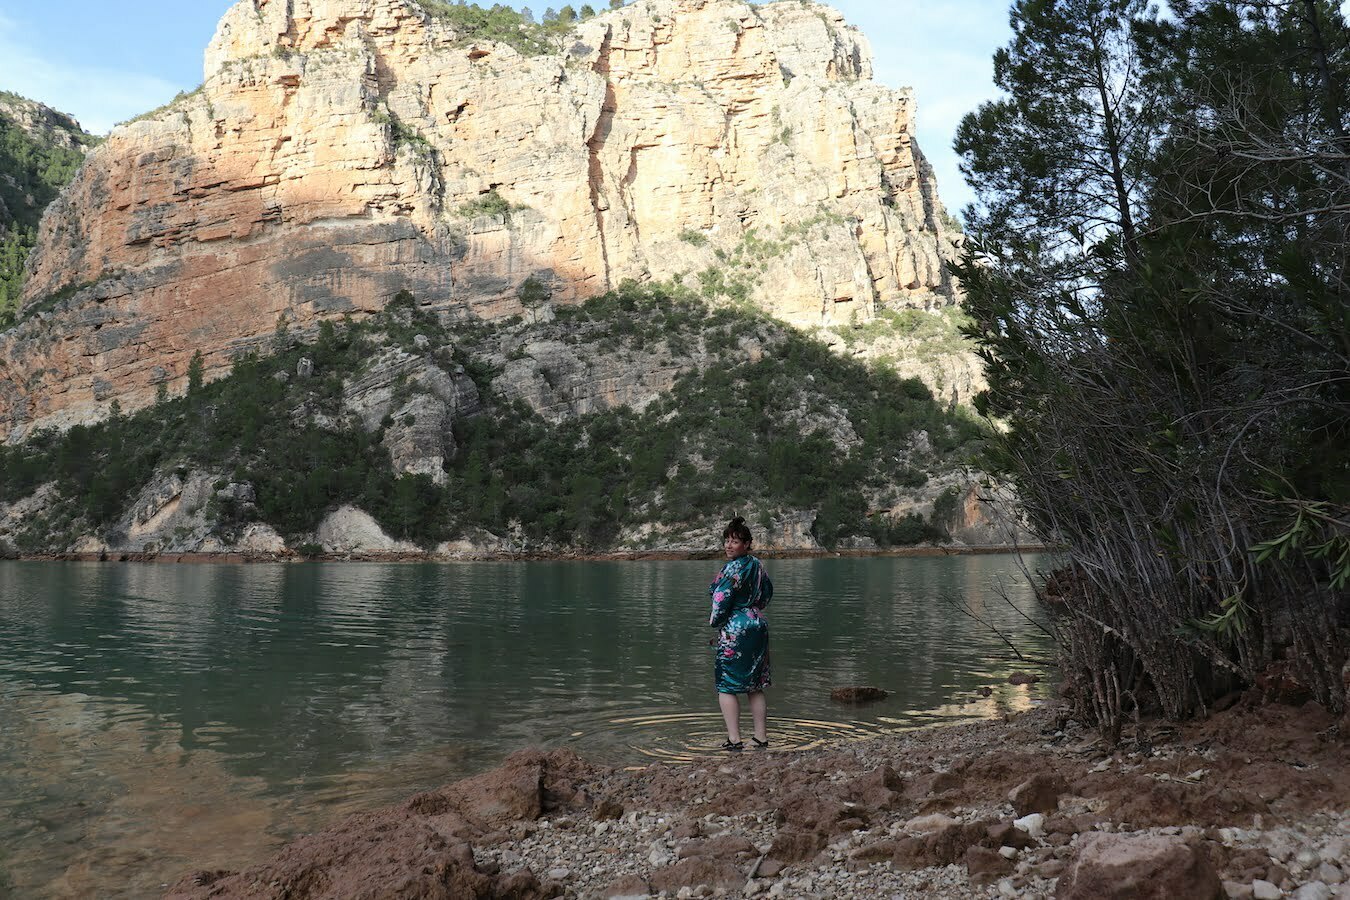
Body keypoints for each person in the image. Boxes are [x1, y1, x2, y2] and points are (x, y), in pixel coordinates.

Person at [708, 516, 772, 752]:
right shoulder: (757, 565)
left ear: (746, 543)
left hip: (736, 627)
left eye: (734, 541)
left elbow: (721, 598)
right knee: (755, 684)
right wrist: (754, 610)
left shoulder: (732, 568)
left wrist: (716, 622)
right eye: (726, 540)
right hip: (757, 623)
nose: (728, 545)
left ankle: (734, 739)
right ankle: (760, 738)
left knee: (726, 684)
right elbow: (767, 592)